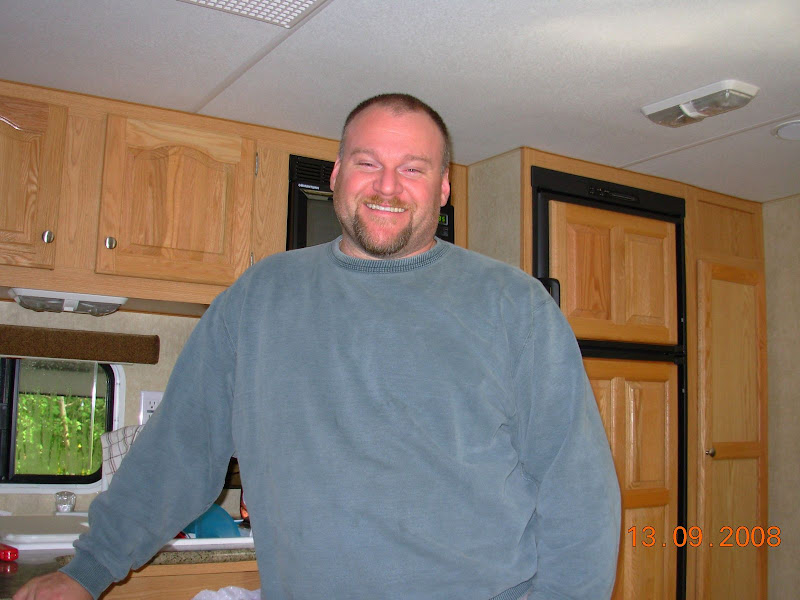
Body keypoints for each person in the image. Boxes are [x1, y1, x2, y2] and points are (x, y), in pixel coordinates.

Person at [15, 93, 620, 600]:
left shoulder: (514, 306)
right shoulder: (258, 299)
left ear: (442, 189)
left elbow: (579, 495)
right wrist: (87, 570)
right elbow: (178, 450)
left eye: (413, 169)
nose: (387, 186)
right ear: (336, 175)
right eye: (367, 162)